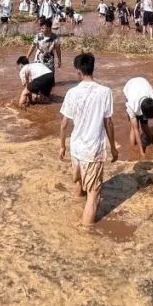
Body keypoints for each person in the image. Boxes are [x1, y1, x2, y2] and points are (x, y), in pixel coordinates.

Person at [59, 53, 117, 226]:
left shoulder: (71, 92)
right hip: (93, 150)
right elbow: (109, 123)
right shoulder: (105, 92)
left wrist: (62, 146)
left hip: (76, 147)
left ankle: (75, 207)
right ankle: (86, 233)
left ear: (78, 71)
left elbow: (63, 125)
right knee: (94, 194)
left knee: (79, 182)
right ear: (93, 67)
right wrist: (113, 147)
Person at [123, 77, 153, 156]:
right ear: (142, 112)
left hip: (143, 82)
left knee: (144, 124)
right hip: (129, 87)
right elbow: (136, 129)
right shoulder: (132, 105)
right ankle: (133, 152)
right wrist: (141, 152)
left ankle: (150, 138)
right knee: (133, 127)